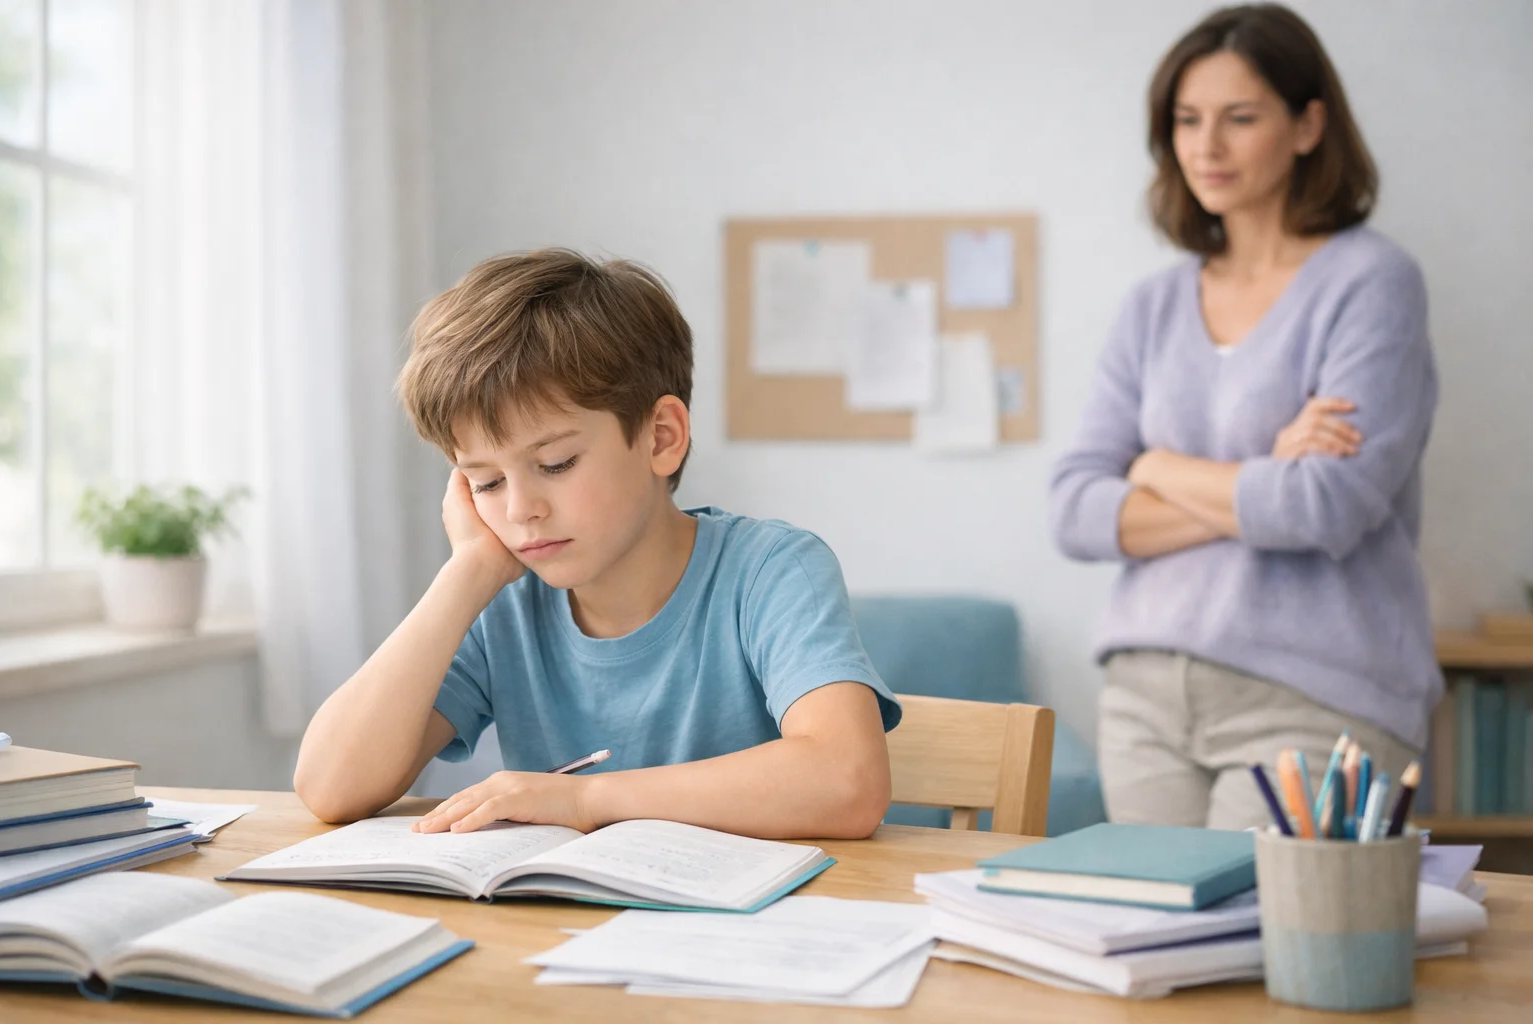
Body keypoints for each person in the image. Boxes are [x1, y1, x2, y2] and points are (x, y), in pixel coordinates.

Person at [294, 249, 899, 838]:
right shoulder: (504, 600)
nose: (519, 508)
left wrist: (586, 799)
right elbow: (329, 788)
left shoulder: (770, 570)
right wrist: (467, 571)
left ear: (661, 437)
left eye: (555, 463)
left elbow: (845, 781)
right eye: (486, 481)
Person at [1050, 4, 1440, 830]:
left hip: (1316, 692)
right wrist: (1265, 474)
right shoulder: (1152, 305)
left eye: (1239, 118)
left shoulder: (1373, 284)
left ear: (1308, 126)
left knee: (1274, 948)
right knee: (1158, 953)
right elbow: (1075, 512)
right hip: (1145, 696)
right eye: (1187, 121)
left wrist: (1153, 467)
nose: (1206, 147)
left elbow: (1324, 506)